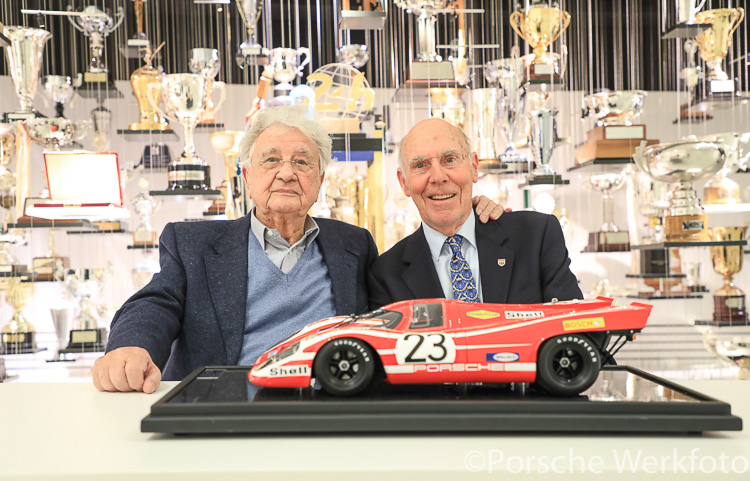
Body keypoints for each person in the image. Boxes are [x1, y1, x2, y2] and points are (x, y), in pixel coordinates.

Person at [93, 106, 504, 393]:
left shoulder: (354, 245)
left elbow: (396, 312)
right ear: (247, 176)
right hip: (228, 412)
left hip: (329, 410)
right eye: (271, 160)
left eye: (302, 162)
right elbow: (154, 304)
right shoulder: (194, 244)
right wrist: (132, 346)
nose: (287, 172)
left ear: (320, 179)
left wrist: (473, 217)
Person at [368, 118, 582, 309]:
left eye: (449, 160)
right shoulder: (386, 275)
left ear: (474, 166)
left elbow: (577, 329)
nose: (438, 177)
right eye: (421, 165)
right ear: (403, 182)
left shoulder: (535, 236)